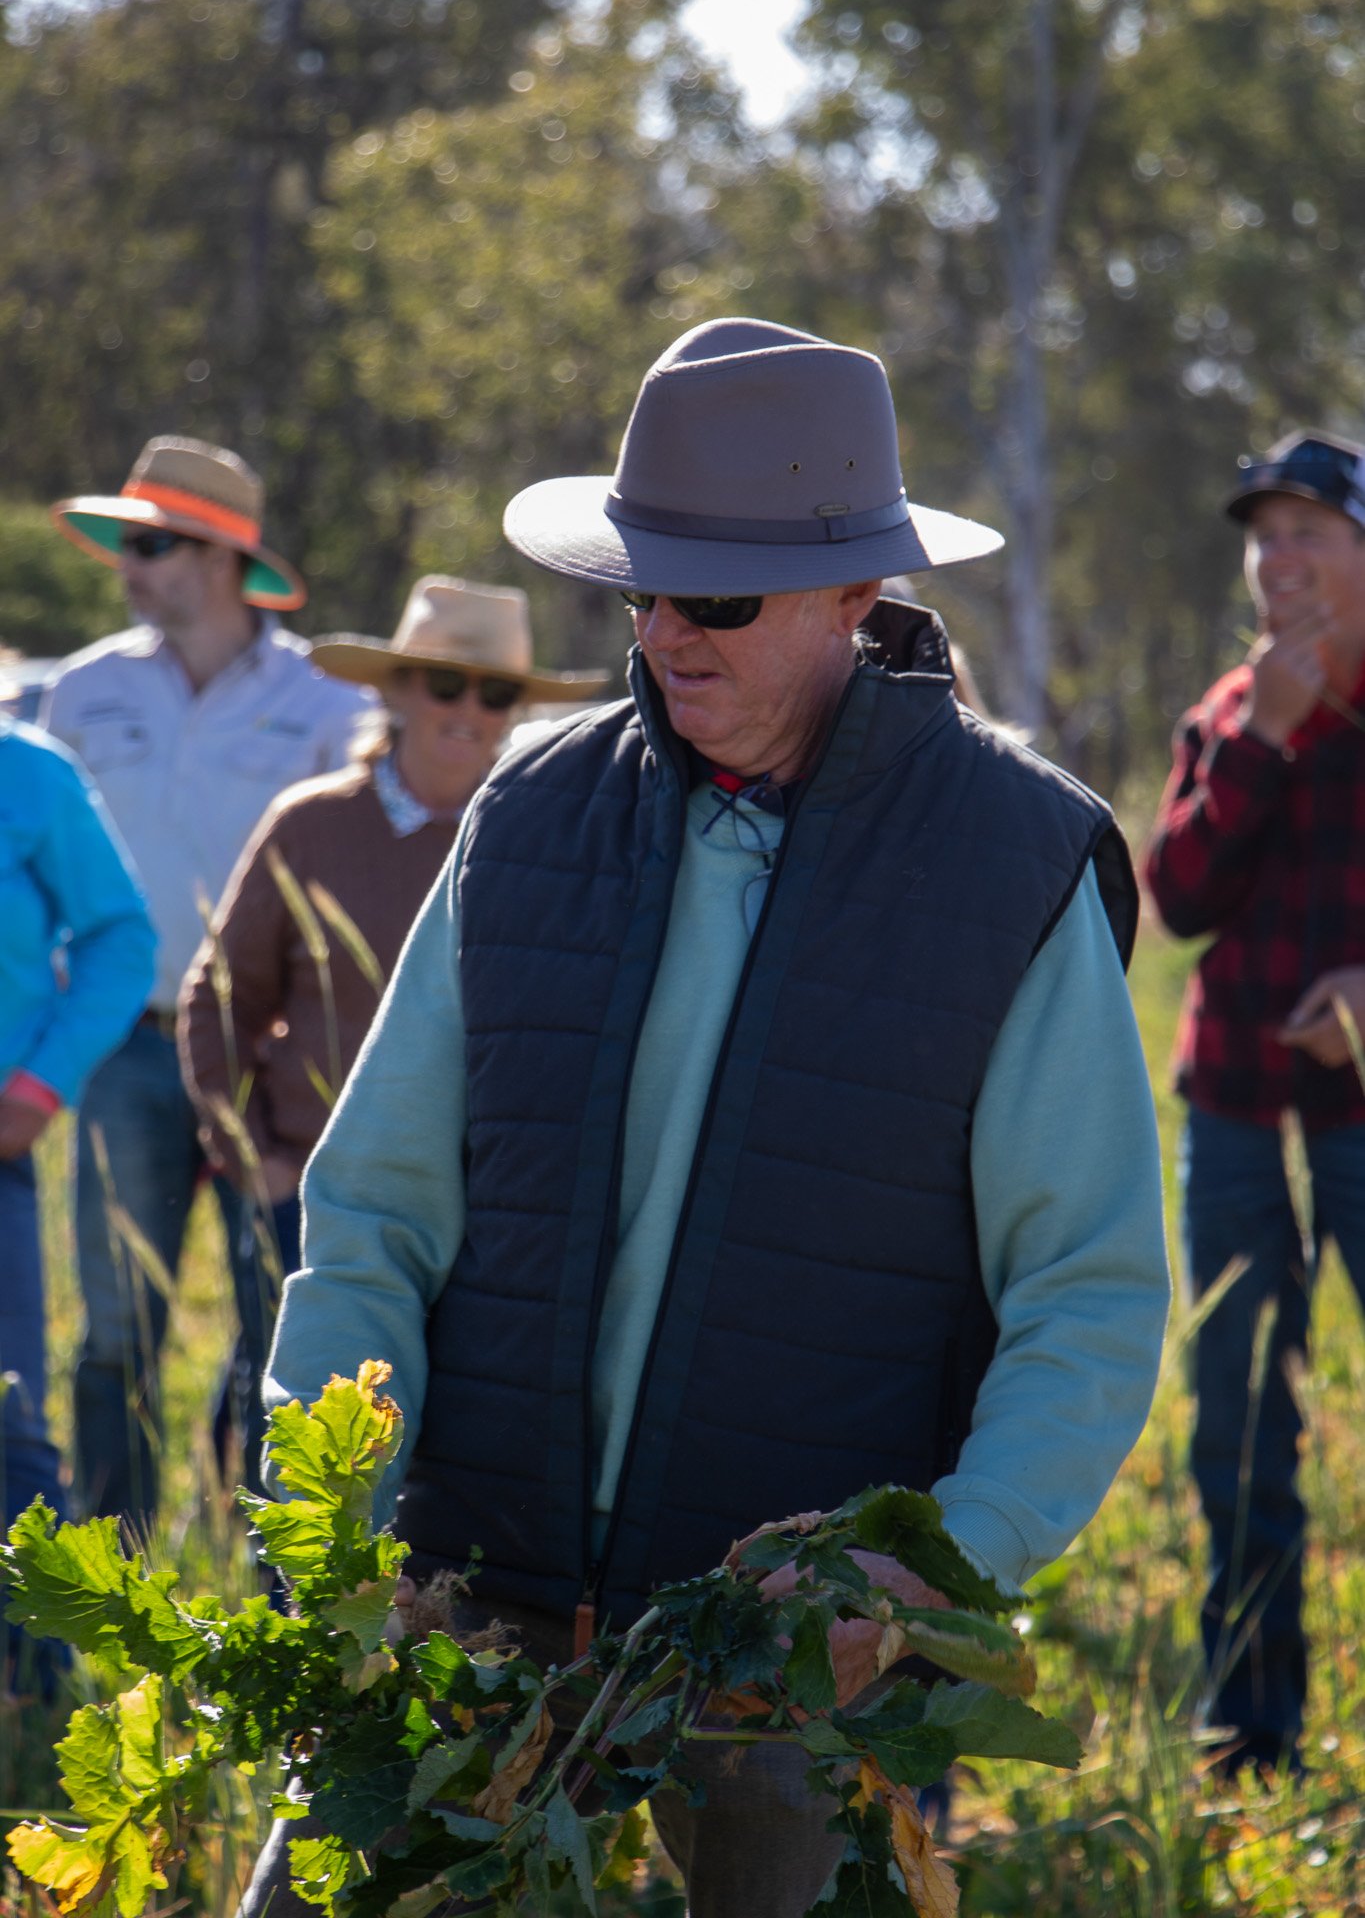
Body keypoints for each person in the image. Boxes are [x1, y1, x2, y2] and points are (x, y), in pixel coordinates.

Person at [258, 318, 1168, 1916]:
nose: (667, 631)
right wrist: (339, 1512)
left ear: (854, 597)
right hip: (466, 1577)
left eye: (719, 597)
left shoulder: (1013, 870)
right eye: (641, 587)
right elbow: (375, 1212)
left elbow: (1084, 1295)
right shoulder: (528, 817)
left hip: (797, 1646)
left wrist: (934, 1567)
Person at [178, 576, 606, 1495]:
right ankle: (277, 1612)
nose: (470, 712)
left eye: (495, 694)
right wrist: (252, 1156)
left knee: (437, 1431)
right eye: (445, 686)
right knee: (295, 1422)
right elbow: (220, 998)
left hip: (486, 1207)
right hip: (313, 1182)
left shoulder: (549, 841)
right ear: (397, 690)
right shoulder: (313, 824)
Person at [40, 436, 367, 1530]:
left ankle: (245, 1556)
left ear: (225, 557)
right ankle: (107, 1567)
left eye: (152, 541)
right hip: (124, 1044)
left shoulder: (325, 700)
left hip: (271, 1055)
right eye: (124, 541)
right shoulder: (80, 693)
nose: (127, 563)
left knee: (276, 1323)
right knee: (114, 1332)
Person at [1145, 429, 1365, 1777]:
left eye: (1313, 534)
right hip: (1232, 1109)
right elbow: (1175, 898)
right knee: (1234, 1420)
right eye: (1264, 537)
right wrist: (1267, 742)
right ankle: (1250, 1728)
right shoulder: (1228, 716)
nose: (1281, 561)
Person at [1, 709, 155, 1689]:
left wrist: (39, 1082)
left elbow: (119, 938)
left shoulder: (29, 777)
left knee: (7, 1421)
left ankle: (37, 1709)